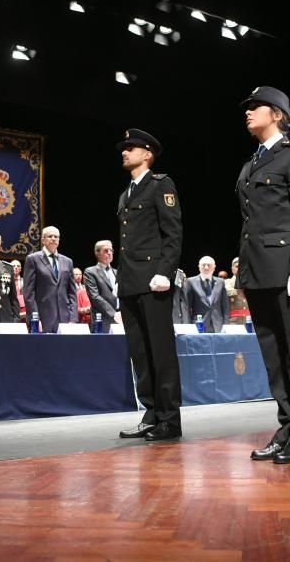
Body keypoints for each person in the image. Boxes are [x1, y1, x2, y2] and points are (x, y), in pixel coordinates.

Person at [237, 86, 290, 464]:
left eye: (256, 107)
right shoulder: (250, 164)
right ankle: (287, 427)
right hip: (259, 273)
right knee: (274, 358)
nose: (248, 112)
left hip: (289, 271)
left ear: (278, 114)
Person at [115, 128, 183, 442]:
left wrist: (164, 272)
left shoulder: (160, 185)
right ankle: (152, 413)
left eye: (131, 148)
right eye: (124, 148)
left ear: (147, 154)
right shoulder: (126, 194)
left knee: (161, 351)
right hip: (130, 282)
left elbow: (173, 233)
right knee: (140, 353)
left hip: (153, 281)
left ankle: (170, 418)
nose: (124, 152)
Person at [22, 226, 77, 333]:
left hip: (65, 318)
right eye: (50, 236)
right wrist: (35, 319)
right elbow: (29, 293)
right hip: (43, 317)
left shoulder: (67, 261)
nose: (53, 238)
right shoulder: (33, 259)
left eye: (56, 237)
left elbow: (72, 293)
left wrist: (73, 318)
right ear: (42, 240)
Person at [184, 256, 230, 332]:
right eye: (203, 265)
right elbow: (187, 307)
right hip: (198, 325)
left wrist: (226, 325)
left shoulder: (220, 282)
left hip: (218, 325)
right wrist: (187, 327)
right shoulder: (190, 282)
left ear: (214, 267)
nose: (206, 267)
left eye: (209, 265)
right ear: (199, 267)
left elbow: (225, 306)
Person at [83, 240, 121, 331]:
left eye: (111, 250)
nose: (109, 253)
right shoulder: (90, 272)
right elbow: (94, 296)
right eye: (106, 251)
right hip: (102, 319)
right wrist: (113, 313)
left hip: (121, 318)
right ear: (97, 253)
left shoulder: (117, 272)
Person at [225, 258, 250, 324]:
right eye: (237, 266)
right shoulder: (225, 283)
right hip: (233, 322)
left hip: (251, 321)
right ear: (232, 268)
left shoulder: (253, 283)